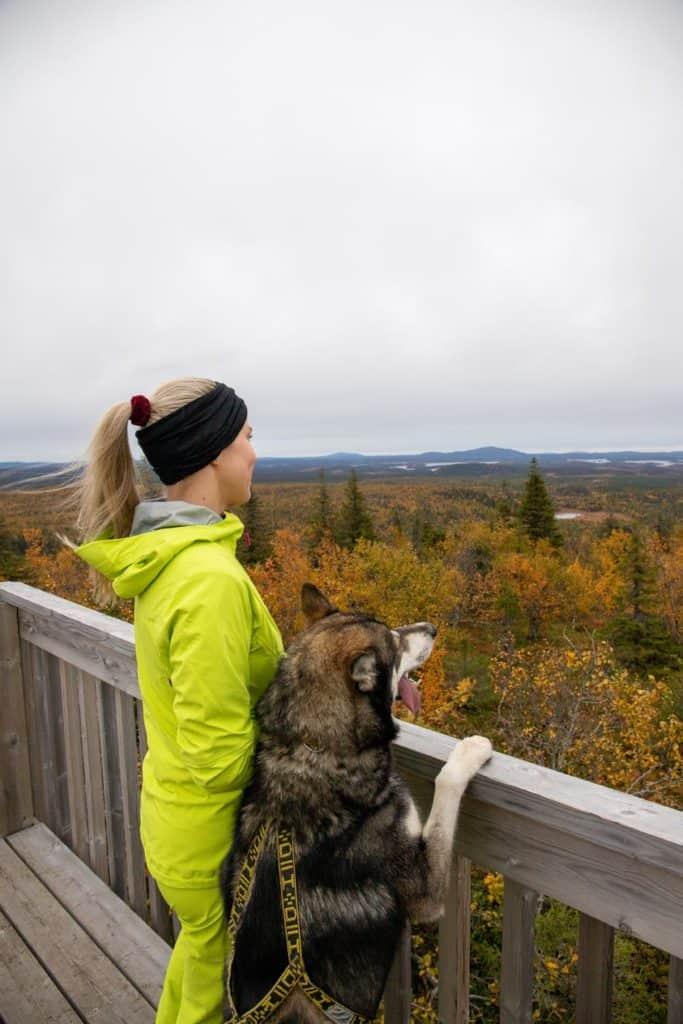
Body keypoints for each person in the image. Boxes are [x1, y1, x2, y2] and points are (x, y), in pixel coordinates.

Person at [71, 377, 284, 1024]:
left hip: (176, 820)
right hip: (215, 842)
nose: (254, 452)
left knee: (197, 970)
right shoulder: (207, 578)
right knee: (210, 996)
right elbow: (218, 753)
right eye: (247, 437)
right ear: (215, 450)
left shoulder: (168, 560)